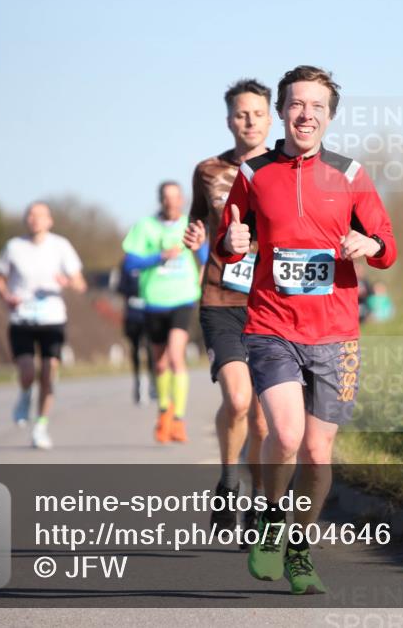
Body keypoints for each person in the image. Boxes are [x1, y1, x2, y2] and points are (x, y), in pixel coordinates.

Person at [215, 65, 397, 594]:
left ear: (330, 117)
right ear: (281, 111)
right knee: (287, 434)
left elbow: (387, 244)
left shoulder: (350, 175)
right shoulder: (253, 174)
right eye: (296, 104)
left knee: (318, 453)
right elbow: (228, 242)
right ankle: (271, 517)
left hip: (337, 334)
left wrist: (371, 245)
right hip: (272, 325)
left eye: (317, 106)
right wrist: (231, 241)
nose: (305, 114)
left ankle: (299, 546)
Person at [182, 79, 270, 539]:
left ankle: (256, 499)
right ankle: (228, 480)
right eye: (241, 114)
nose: (249, 121)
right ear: (229, 120)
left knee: (262, 420)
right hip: (221, 298)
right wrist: (195, 235)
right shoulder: (208, 171)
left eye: (258, 113)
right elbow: (198, 218)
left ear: (270, 118)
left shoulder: (286, 168)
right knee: (237, 400)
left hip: (270, 303)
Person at [0, 201, 86, 450]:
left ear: (50, 220)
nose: (35, 219)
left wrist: (67, 281)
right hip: (21, 318)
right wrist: (6, 296)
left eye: (40, 215)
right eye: (31, 215)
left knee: (48, 372)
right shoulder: (14, 247)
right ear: (26, 220)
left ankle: (41, 427)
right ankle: (25, 395)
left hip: (52, 319)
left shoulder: (61, 246)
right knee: (27, 372)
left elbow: (80, 284)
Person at [122, 182, 202, 443]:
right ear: (160, 200)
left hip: (183, 298)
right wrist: (159, 257)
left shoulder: (191, 223)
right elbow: (130, 262)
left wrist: (203, 277)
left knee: (176, 356)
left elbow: (206, 254)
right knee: (159, 362)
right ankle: (164, 411)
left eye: (176, 197)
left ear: (183, 199)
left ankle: (179, 419)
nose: (171, 202)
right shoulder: (145, 226)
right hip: (154, 300)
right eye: (166, 197)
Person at [116, 262, 156, 405]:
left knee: (151, 348)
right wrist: (134, 290)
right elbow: (120, 287)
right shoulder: (127, 264)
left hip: (149, 313)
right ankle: (137, 380)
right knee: (135, 349)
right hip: (132, 316)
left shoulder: (152, 261)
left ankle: (153, 382)